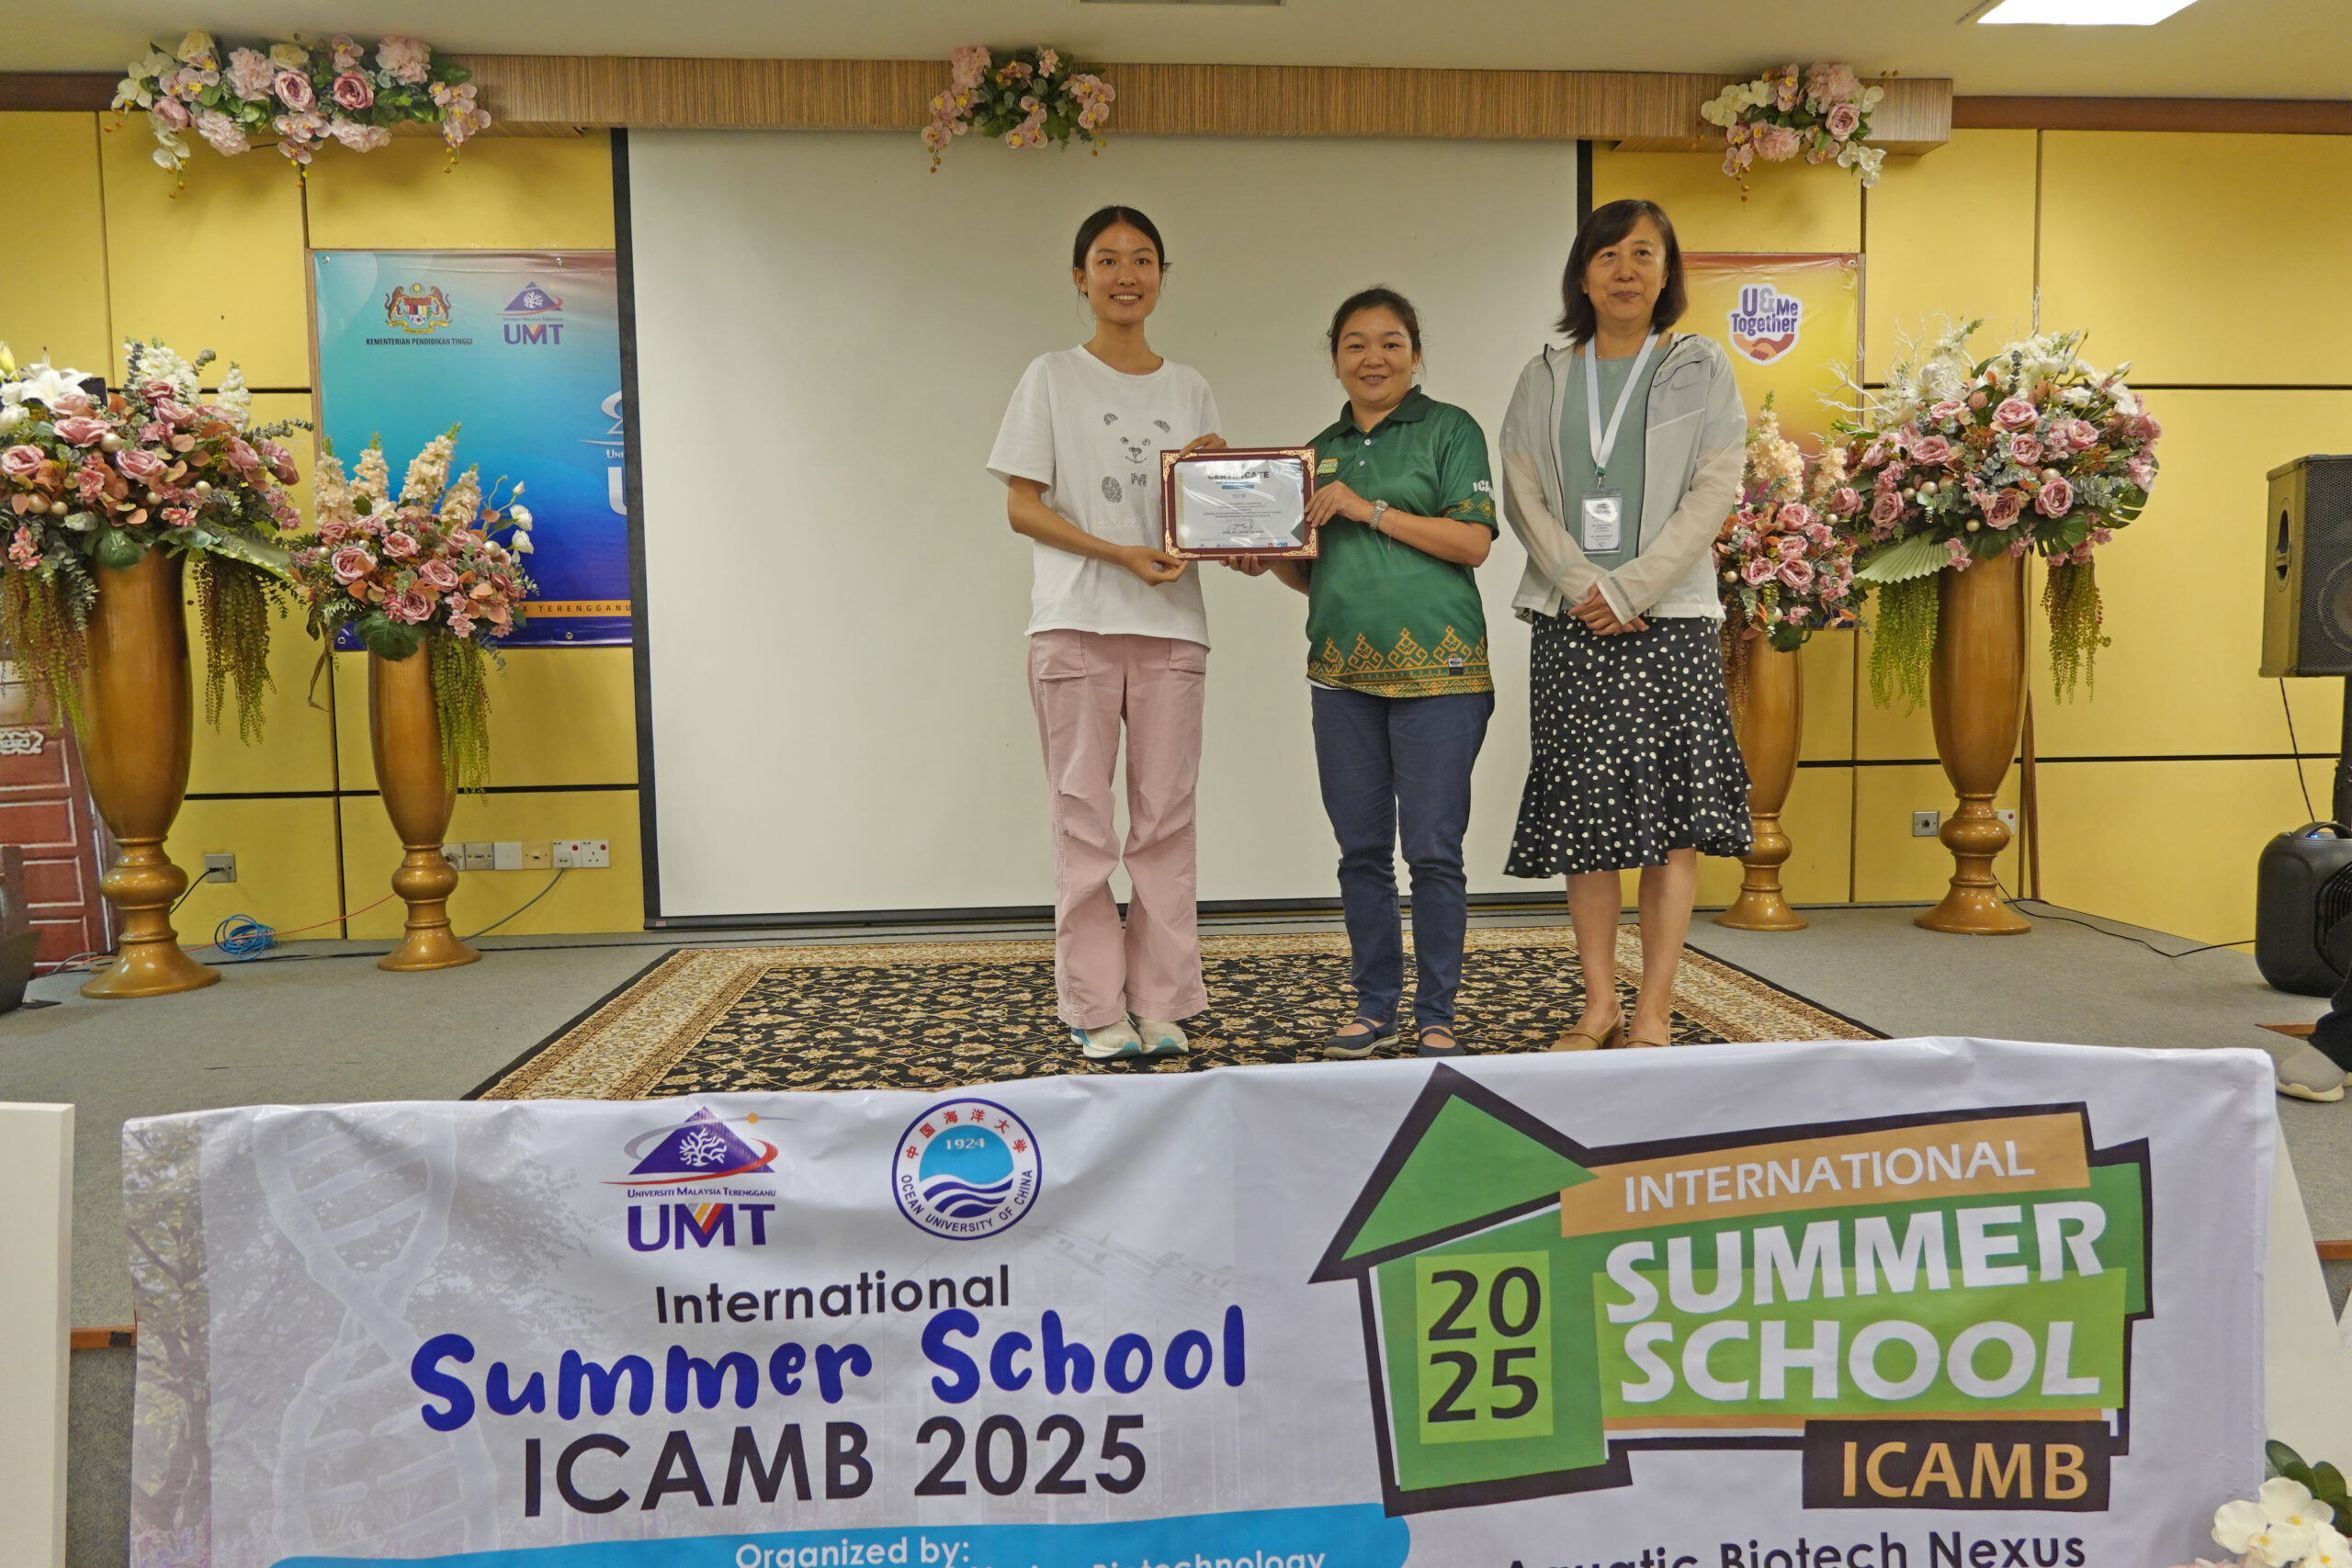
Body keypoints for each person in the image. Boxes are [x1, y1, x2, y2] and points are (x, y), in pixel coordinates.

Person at [1498, 198, 1750, 1051]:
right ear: (1582, 274)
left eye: (1644, 253)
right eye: (1607, 255)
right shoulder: (1544, 375)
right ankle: (1600, 1003)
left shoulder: (1699, 365)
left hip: (1668, 621)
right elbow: (1522, 492)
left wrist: (1633, 588)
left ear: (1667, 271)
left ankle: (1654, 1010)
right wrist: (1584, 584)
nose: (1625, 270)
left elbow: (1713, 488)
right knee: (1588, 820)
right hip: (1573, 620)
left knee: (1671, 824)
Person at [1232, 288, 1498, 1059]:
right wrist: (1267, 558)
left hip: (1443, 676)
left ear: (1415, 354)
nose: (1373, 358)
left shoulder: (1450, 429)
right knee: (1360, 852)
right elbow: (1317, 573)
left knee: (1434, 851)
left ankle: (1437, 1011)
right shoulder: (1315, 452)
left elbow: (1474, 542)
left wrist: (1368, 508)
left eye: (1389, 342)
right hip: (1342, 677)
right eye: (1355, 344)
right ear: (1335, 359)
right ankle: (1374, 1003)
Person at [987, 206, 1226, 1062]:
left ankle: (1160, 1000)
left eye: (1144, 259)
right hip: (1075, 623)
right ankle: (1094, 1006)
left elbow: (1208, 511)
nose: (1127, 275)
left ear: (1163, 275)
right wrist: (1118, 553)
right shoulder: (1051, 376)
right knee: (1082, 823)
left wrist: (1227, 503)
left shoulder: (1189, 386)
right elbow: (1022, 507)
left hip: (1173, 627)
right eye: (1108, 259)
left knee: (1166, 821)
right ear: (1080, 277)